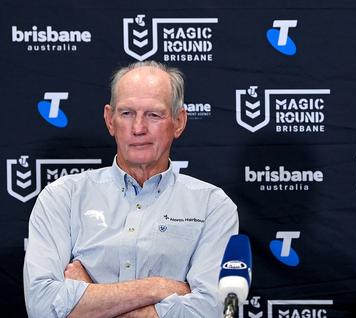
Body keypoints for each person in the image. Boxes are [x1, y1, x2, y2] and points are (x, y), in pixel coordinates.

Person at [23, 61, 239, 317]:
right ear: (109, 120)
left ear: (179, 121)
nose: (138, 128)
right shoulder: (62, 197)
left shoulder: (213, 206)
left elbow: (212, 310)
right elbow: (42, 306)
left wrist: (90, 293)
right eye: (126, 113)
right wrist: (157, 287)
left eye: (154, 115)